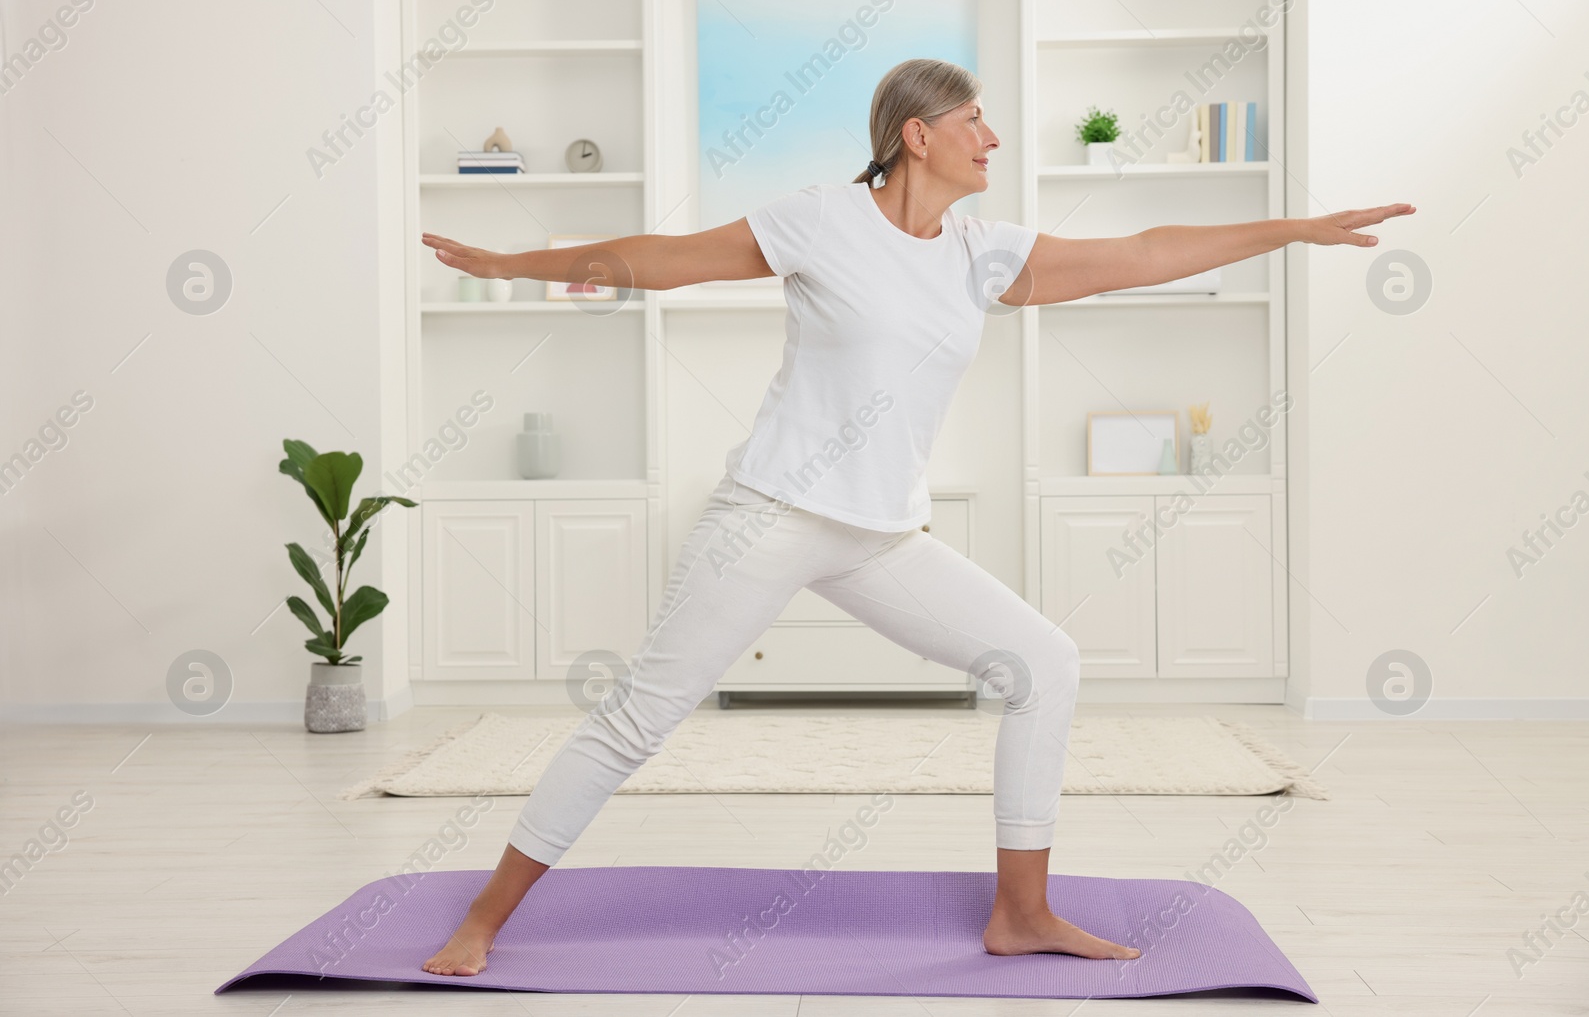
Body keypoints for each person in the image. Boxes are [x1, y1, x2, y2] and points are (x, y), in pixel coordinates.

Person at [417, 58, 1413, 977]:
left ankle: (1021, 911)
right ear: (915, 133)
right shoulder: (822, 220)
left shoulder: (984, 255)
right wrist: (514, 260)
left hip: (879, 532)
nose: (991, 137)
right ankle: (485, 915)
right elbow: (671, 258)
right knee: (640, 717)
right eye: (973, 119)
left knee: (1043, 661)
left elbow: (1142, 250)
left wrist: (1290, 230)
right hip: (770, 511)